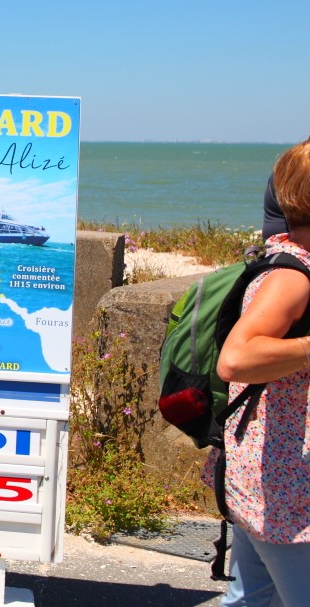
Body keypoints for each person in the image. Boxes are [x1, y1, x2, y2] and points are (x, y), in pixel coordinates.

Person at [212, 139, 310, 605]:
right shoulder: (293, 277)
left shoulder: (281, 257)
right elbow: (235, 359)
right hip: (288, 493)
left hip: (264, 477)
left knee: (249, 597)